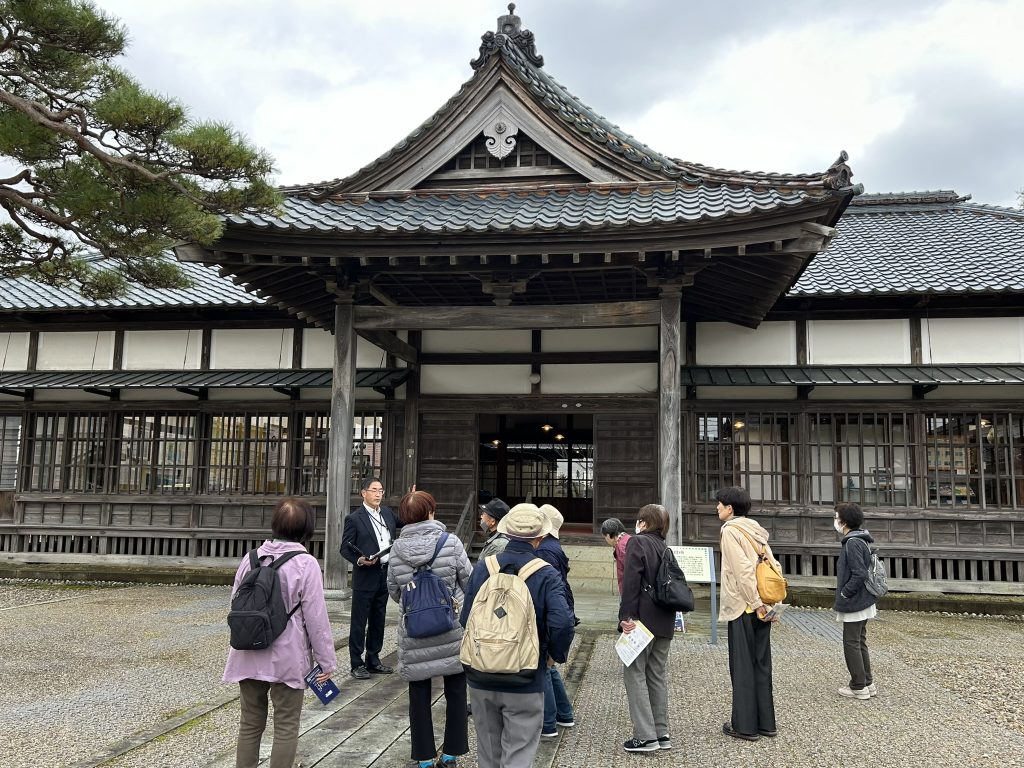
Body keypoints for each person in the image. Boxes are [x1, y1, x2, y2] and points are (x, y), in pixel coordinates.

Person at [223, 498, 337, 768]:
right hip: (287, 654)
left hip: (247, 652)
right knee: (286, 725)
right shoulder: (305, 563)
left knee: (249, 723)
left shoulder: (250, 558)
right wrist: (327, 661)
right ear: (306, 528)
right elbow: (316, 618)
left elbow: (234, 605)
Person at [460, 503, 575, 768]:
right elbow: (562, 622)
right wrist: (552, 657)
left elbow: (466, 618)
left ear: (507, 532)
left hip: (481, 673)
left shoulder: (483, 568)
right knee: (520, 750)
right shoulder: (546, 573)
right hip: (526, 674)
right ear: (539, 536)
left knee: (488, 752)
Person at [386, 490, 472, 768]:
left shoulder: (396, 549)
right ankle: (451, 754)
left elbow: (395, 591)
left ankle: (424, 757)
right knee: (456, 690)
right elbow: (469, 581)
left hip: (415, 630)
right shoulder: (451, 542)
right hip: (451, 627)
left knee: (418, 694)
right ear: (431, 511)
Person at [716, 485, 779, 742]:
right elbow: (772, 565)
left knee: (742, 666)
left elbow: (743, 572)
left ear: (730, 508)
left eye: (720, 504)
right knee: (761, 665)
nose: (717, 508)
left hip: (744, 606)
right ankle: (766, 723)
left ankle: (745, 726)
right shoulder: (755, 530)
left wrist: (756, 602)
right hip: (763, 604)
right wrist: (768, 604)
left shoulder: (731, 531)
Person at [617, 503, 675, 753]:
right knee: (656, 675)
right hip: (665, 619)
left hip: (642, 620)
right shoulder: (664, 546)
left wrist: (626, 616)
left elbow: (631, 582)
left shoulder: (637, 543)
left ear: (643, 521)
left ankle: (645, 735)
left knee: (635, 672)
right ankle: (661, 732)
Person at [340, 477, 399, 679]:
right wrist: (359, 559)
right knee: (359, 621)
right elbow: (344, 547)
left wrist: (412, 498)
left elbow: (407, 519)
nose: (377, 494)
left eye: (381, 490)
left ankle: (373, 659)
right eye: (373, 490)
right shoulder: (355, 518)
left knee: (378, 618)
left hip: (384, 572)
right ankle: (356, 663)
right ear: (363, 493)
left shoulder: (388, 514)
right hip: (365, 574)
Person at [536, 504, 576, 739]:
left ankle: (548, 722)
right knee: (549, 668)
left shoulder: (545, 551)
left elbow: (548, 587)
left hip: (552, 612)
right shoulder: (553, 547)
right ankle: (564, 712)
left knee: (543, 667)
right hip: (561, 609)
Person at [833, 501, 879, 700]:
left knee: (851, 642)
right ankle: (867, 683)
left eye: (836, 517)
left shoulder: (852, 542)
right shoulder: (862, 539)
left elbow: (858, 574)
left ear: (844, 521)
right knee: (859, 641)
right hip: (865, 599)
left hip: (855, 601)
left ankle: (858, 686)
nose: (835, 521)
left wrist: (845, 593)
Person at [600, 517, 631, 594]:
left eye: (605, 537)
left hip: (629, 591)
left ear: (608, 535)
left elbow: (631, 571)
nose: (606, 540)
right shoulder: (629, 539)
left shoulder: (621, 547)